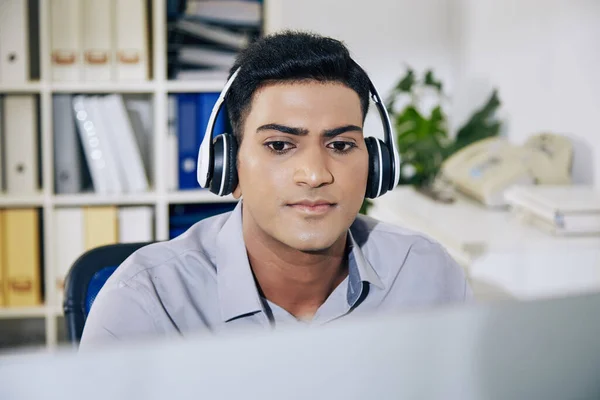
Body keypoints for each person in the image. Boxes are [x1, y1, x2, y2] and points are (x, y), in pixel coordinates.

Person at [80, 30, 472, 348]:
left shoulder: (426, 275)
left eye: (340, 145)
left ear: (376, 166)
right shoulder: (146, 302)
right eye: (280, 146)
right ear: (227, 165)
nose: (315, 175)